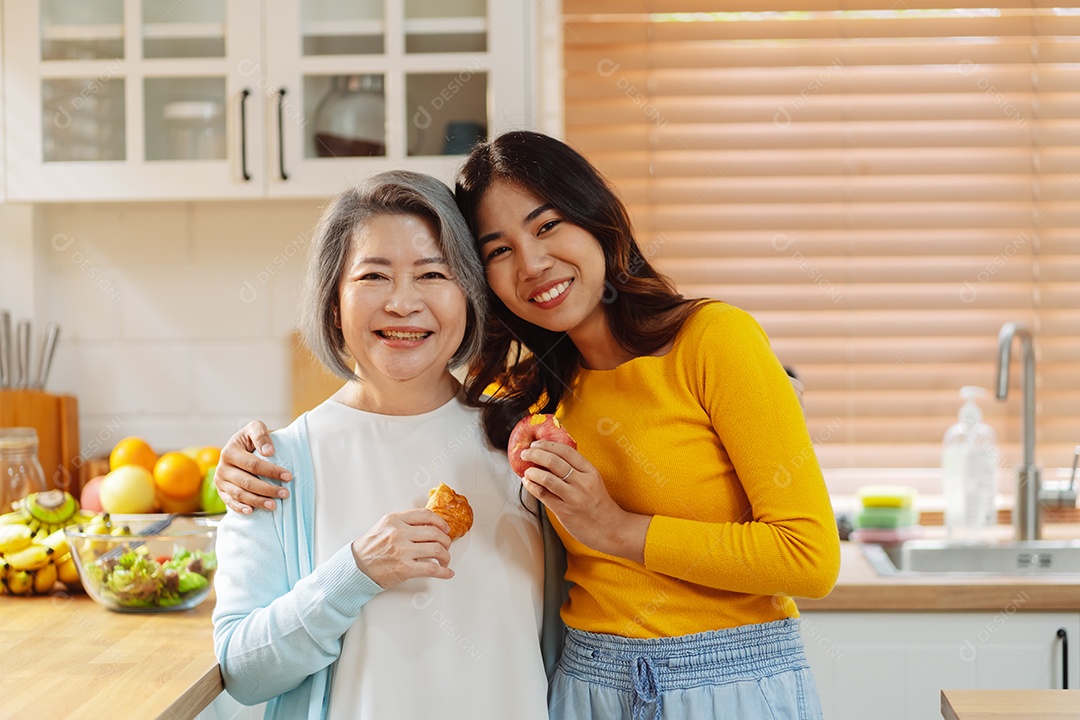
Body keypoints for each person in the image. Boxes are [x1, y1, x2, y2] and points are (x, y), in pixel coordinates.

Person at [216, 132, 841, 720]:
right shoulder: (521, 408)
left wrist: (616, 528)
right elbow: (244, 666)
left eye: (433, 274)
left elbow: (806, 555)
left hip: (717, 682)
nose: (534, 262)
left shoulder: (695, 347)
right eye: (498, 251)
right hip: (589, 688)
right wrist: (334, 546)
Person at [210, 170, 555, 720]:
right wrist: (356, 571)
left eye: (432, 274)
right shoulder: (276, 465)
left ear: (468, 296)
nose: (402, 303)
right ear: (333, 305)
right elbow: (243, 671)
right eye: (374, 276)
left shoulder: (522, 444)